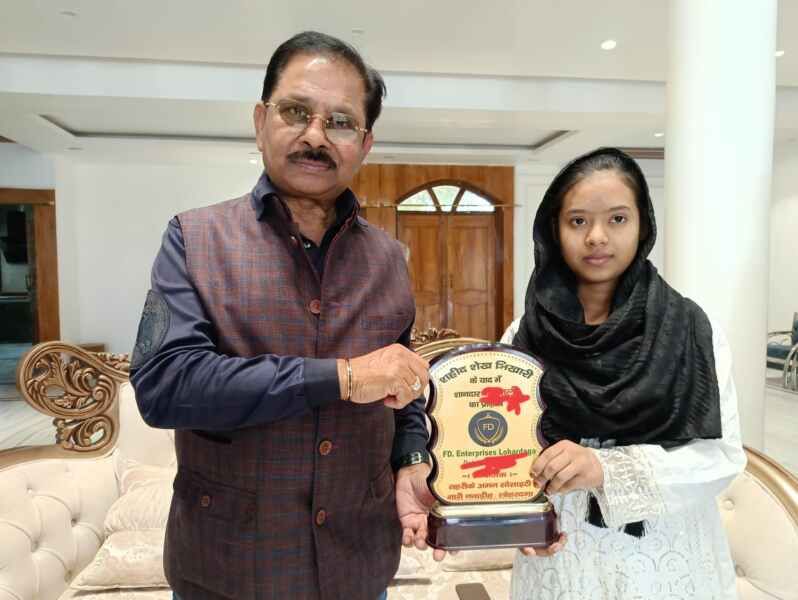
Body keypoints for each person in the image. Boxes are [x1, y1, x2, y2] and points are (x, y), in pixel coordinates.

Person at [129, 31, 440, 600]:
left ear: (365, 143)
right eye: (296, 112)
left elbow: (404, 393)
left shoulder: (389, 259)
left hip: (359, 564)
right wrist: (341, 377)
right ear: (260, 120)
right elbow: (165, 386)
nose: (315, 136)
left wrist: (412, 458)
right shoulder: (194, 239)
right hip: (228, 570)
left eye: (340, 122)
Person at [508, 147, 745, 600]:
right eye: (578, 221)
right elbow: (509, 450)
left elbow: (721, 457)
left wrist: (605, 468)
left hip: (664, 560)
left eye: (617, 219)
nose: (596, 237)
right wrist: (518, 520)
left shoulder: (690, 329)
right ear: (554, 230)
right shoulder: (525, 334)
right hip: (561, 558)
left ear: (643, 225)